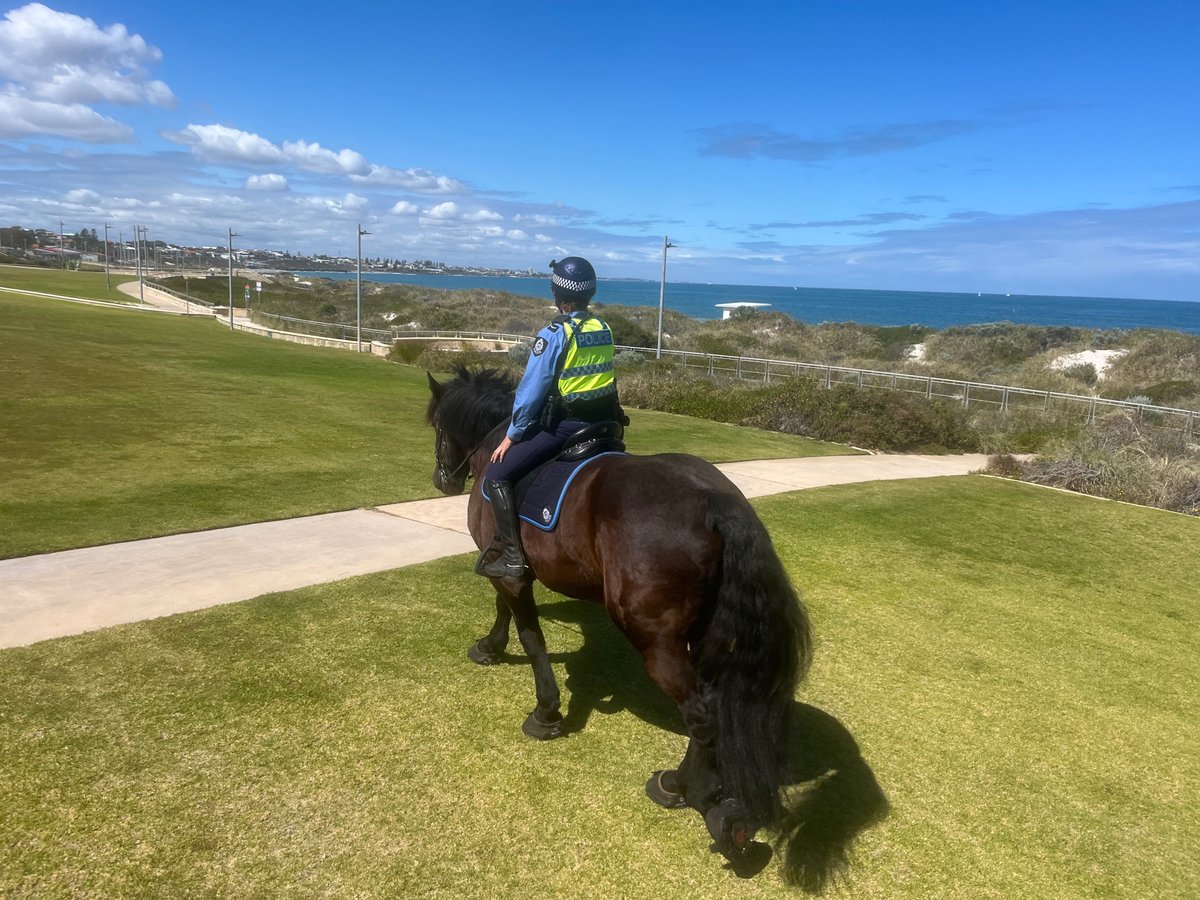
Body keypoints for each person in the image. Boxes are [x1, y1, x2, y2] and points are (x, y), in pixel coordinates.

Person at [478, 256, 628, 579]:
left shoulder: (555, 333)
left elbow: (531, 391)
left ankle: (511, 557)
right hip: (604, 425)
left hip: (567, 427)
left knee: (497, 473)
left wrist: (512, 435)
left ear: (558, 295)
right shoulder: (603, 328)